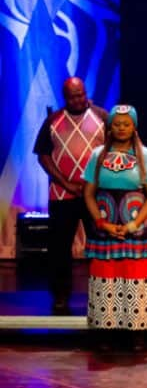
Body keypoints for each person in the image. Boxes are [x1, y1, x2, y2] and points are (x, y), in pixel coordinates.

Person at [82, 105, 147, 351]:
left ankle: (138, 332)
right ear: (109, 126)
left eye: (126, 124)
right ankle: (107, 332)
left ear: (134, 126)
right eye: (117, 124)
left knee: (134, 273)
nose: (121, 128)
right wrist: (102, 222)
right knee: (107, 274)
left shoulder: (145, 155)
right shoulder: (97, 155)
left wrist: (134, 224)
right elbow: (88, 194)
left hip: (136, 224)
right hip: (106, 224)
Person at [33, 77, 107, 314]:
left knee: (99, 246)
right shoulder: (53, 121)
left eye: (81, 94)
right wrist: (64, 182)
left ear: (86, 92)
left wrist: (93, 184)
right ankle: (61, 296)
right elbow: (42, 155)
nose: (78, 100)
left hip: (94, 194)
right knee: (59, 248)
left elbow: (113, 153)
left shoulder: (102, 117)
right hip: (61, 194)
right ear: (64, 96)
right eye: (72, 96)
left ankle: (102, 294)